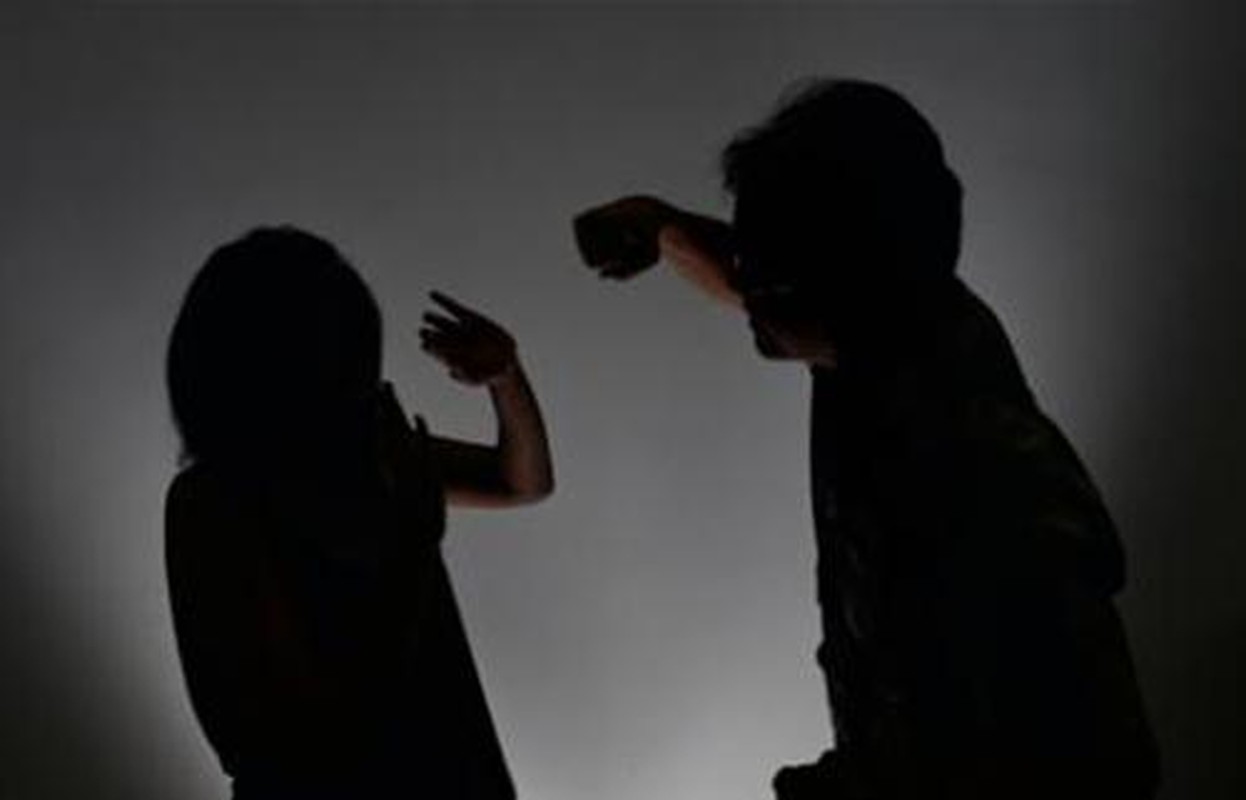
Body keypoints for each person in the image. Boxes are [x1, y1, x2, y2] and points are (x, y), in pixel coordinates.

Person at [574, 78, 1159, 800]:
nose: (743, 285)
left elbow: (1051, 750)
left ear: (838, 283)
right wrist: (660, 228)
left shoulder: (972, 475)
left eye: (764, 272)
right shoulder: (892, 323)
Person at [164, 226, 553, 800]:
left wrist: (505, 378)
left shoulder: (368, 463)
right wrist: (414, 543)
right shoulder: (217, 504)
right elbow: (316, 730)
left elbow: (522, 483)